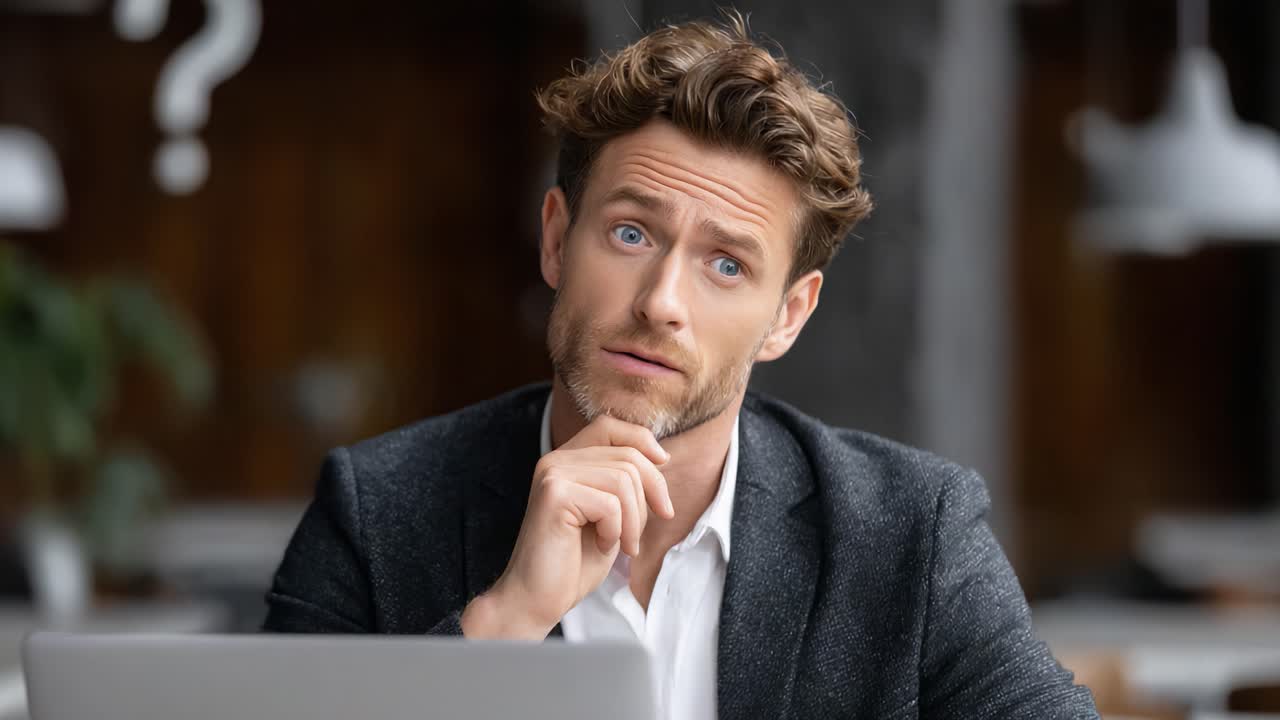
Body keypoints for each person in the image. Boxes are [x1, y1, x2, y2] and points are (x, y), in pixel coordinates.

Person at [263, 12, 1100, 719]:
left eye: (726, 264)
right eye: (631, 233)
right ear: (556, 238)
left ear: (788, 315)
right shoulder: (375, 511)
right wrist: (505, 622)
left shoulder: (911, 532)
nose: (662, 300)